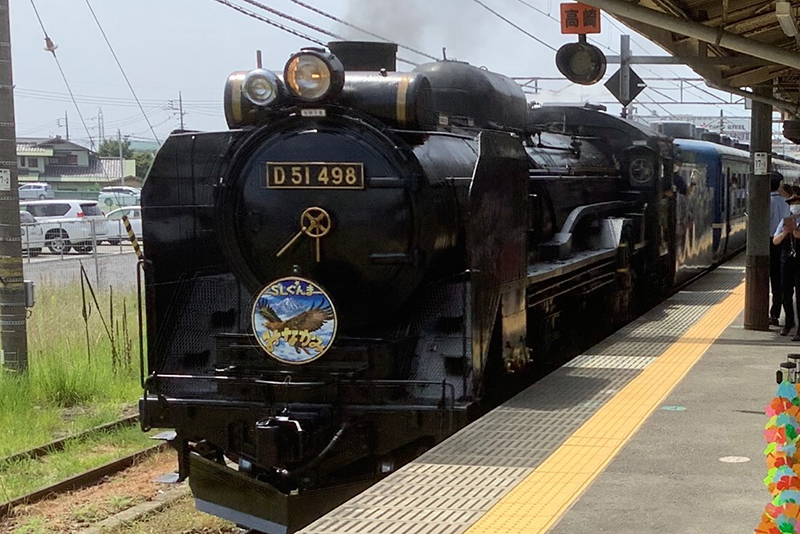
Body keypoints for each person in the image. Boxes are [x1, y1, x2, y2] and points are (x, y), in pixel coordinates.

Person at [773, 195, 800, 338]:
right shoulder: (785, 221)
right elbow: (775, 241)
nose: (794, 206)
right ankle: (788, 322)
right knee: (786, 293)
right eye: (792, 204)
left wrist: (796, 232)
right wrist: (785, 232)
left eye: (797, 203)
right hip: (787, 261)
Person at [771, 173, 791, 325]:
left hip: (768, 242)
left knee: (771, 280)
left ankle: (771, 313)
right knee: (782, 280)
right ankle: (777, 313)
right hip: (785, 242)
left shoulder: (762, 201)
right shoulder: (787, 202)